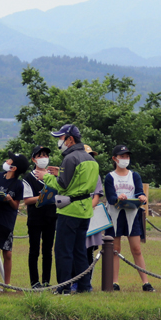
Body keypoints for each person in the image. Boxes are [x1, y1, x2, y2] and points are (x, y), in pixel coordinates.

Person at [36, 123, 98, 294]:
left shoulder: (70, 158)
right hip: (85, 209)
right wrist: (59, 173)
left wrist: (46, 177)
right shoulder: (91, 159)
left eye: (61, 138)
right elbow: (78, 182)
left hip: (69, 209)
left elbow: (62, 186)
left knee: (63, 250)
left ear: (70, 139)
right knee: (80, 251)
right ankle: (84, 286)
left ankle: (63, 287)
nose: (59, 141)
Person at [103, 145, 152, 292]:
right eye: (122, 156)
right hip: (115, 216)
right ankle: (114, 282)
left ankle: (146, 282)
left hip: (132, 214)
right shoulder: (110, 177)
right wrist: (118, 197)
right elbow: (110, 197)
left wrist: (142, 197)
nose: (125, 159)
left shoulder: (134, 175)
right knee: (115, 249)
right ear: (115, 158)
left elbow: (138, 192)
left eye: (127, 156)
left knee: (136, 249)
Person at [0, 153, 27, 290]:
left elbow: (16, 206)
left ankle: (7, 283)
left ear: (14, 167)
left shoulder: (18, 184)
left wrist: (9, 199)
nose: (7, 161)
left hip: (7, 220)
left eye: (10, 160)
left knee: (7, 252)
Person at [23, 145, 57, 288]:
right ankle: (34, 281)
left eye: (45, 155)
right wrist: (42, 197)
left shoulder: (53, 176)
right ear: (33, 159)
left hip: (51, 216)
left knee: (48, 250)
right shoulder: (28, 178)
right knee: (34, 250)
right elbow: (27, 200)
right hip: (35, 218)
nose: (44, 158)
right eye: (40, 155)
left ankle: (46, 281)